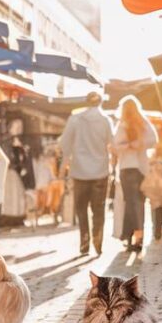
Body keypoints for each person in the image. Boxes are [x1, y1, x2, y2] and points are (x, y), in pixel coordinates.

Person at [59, 91, 114, 256]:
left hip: (80, 171)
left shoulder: (75, 118)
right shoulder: (105, 120)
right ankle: (98, 241)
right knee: (99, 209)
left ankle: (84, 242)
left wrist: (64, 165)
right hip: (101, 171)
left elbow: (65, 143)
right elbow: (111, 143)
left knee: (81, 209)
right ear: (100, 102)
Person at [113, 96, 157, 252]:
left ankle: (131, 237)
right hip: (139, 168)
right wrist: (138, 144)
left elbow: (115, 144)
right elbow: (153, 140)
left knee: (131, 203)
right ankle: (137, 236)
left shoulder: (123, 125)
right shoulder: (142, 123)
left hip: (129, 168)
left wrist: (133, 145)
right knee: (137, 203)